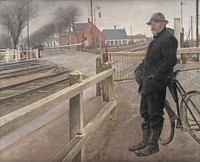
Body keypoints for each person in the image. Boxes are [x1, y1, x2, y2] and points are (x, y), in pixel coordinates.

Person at [128, 12, 178, 156]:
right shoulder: (155, 41)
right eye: (151, 23)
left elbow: (169, 62)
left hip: (157, 84)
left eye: (155, 22)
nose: (152, 25)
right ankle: (145, 141)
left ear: (164, 24)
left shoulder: (168, 39)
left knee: (155, 114)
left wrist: (155, 77)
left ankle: (153, 145)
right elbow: (147, 62)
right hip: (146, 85)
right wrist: (138, 71)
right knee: (145, 113)